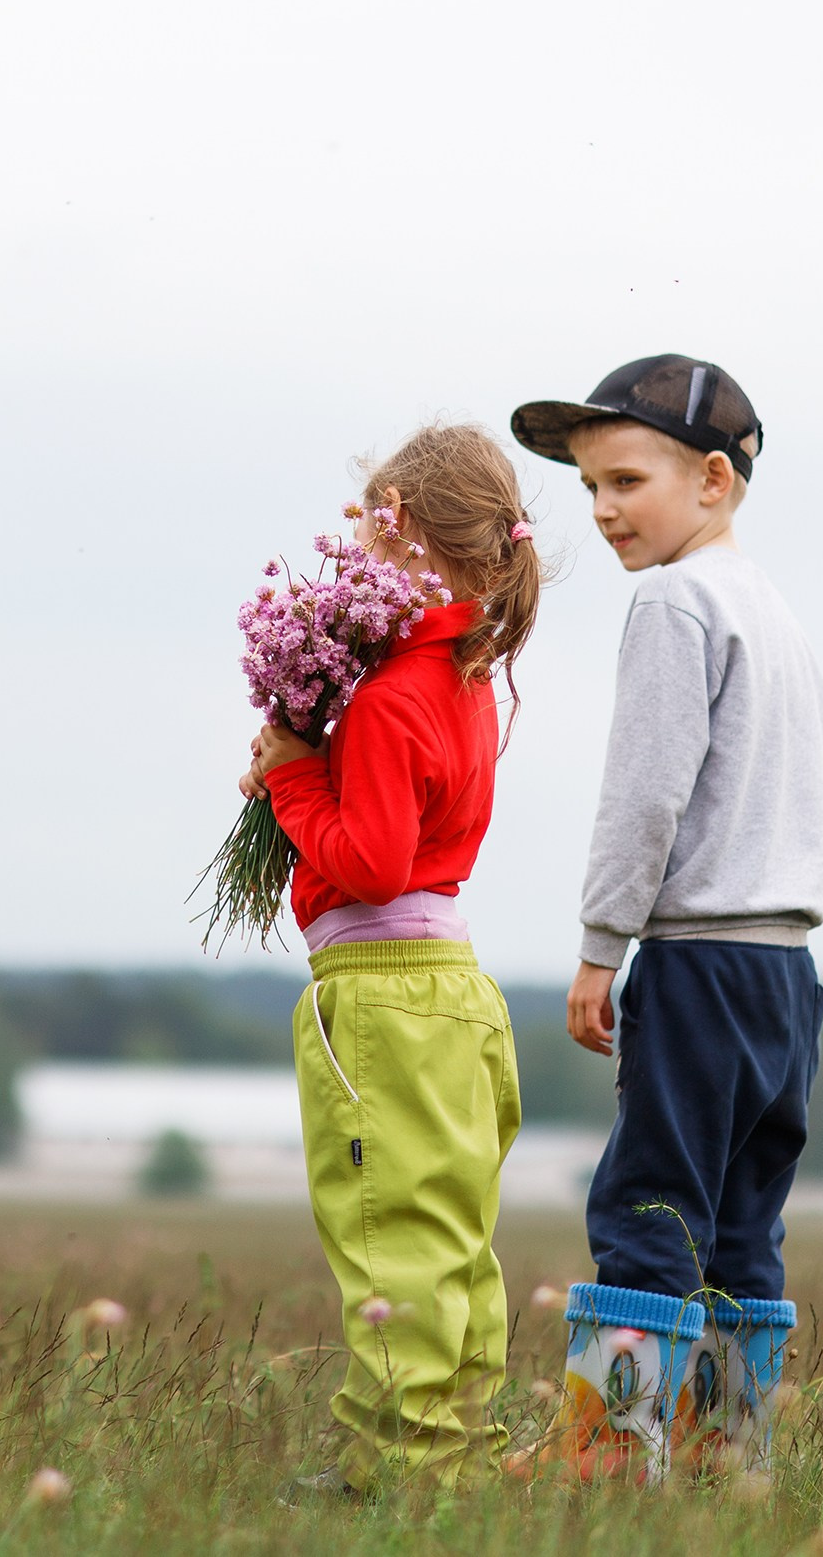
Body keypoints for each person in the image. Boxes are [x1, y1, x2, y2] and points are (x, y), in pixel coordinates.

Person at [508, 356, 823, 1482]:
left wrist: (602, 946)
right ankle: (726, 1456)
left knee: (649, 1199)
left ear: (711, 478)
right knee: (741, 1224)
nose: (599, 509)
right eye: (587, 485)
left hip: (694, 963)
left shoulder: (672, 601)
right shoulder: (774, 612)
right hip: (786, 975)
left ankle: (607, 1452)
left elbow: (646, 790)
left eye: (624, 479)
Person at [244, 423, 545, 1494]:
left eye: (368, 532)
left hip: (380, 994)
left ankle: (400, 1466)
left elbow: (367, 863)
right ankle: (456, 1451)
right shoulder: (461, 679)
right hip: (455, 993)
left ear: (400, 526)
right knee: (453, 1235)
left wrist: (289, 775)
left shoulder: (388, 695)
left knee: (388, 1237)